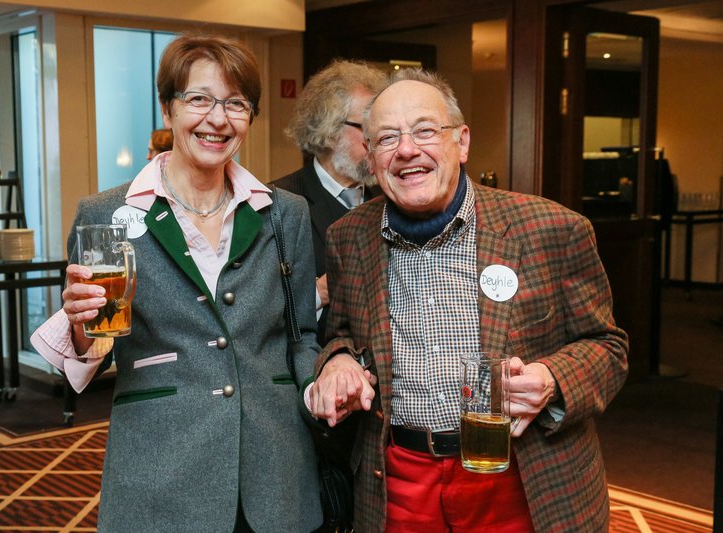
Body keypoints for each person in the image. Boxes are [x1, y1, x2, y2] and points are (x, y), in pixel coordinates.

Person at [308, 69, 629, 532]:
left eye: (425, 131)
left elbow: (609, 347)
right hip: (400, 484)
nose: (407, 150)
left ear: (461, 142)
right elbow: (341, 333)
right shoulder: (348, 238)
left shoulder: (551, 229)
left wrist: (552, 378)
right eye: (387, 138)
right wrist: (337, 360)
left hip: (521, 481)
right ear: (372, 159)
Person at [31, 33, 322, 532]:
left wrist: (321, 383)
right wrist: (81, 323)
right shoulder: (107, 213)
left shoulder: (284, 214)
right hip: (159, 468)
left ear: (250, 116)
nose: (218, 119)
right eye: (199, 99)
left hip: (274, 471)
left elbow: (301, 338)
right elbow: (95, 346)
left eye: (235, 103)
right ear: (168, 109)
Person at [274, 60, 385, 343]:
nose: (377, 141)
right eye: (367, 128)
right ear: (329, 128)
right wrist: (319, 292)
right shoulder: (277, 204)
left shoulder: (390, 201)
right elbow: (258, 315)